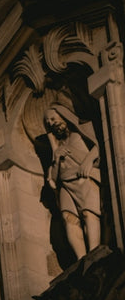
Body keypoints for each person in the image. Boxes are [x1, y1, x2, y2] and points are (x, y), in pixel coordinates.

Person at [43, 105, 102, 259]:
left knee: (89, 213)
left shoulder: (81, 131)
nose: (51, 123)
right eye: (48, 122)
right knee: (69, 220)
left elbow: (99, 145)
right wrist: (56, 156)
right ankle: (81, 259)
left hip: (84, 179)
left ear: (63, 115)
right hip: (65, 186)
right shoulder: (58, 146)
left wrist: (88, 161)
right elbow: (53, 180)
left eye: (53, 118)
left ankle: (94, 252)